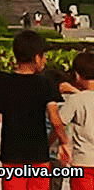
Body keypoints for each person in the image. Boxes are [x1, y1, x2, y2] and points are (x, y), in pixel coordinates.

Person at [0, 30, 70, 188]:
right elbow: (55, 118)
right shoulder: (46, 83)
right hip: (39, 157)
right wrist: (64, 142)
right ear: (37, 57)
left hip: (12, 157)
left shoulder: (3, 83)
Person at [58, 49, 94, 190]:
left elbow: (58, 123)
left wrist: (62, 143)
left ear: (77, 76)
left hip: (82, 164)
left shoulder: (76, 100)